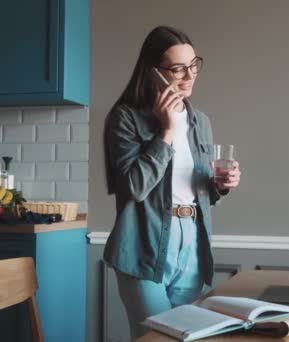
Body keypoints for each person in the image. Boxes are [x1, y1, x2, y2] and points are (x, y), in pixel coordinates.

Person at [103, 25, 241, 340]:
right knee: (156, 339)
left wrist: (221, 185)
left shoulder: (200, 121)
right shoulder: (126, 118)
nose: (189, 75)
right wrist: (165, 131)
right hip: (142, 246)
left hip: (192, 244)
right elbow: (135, 187)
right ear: (154, 73)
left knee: (188, 337)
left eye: (193, 65)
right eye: (177, 69)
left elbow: (199, 189)